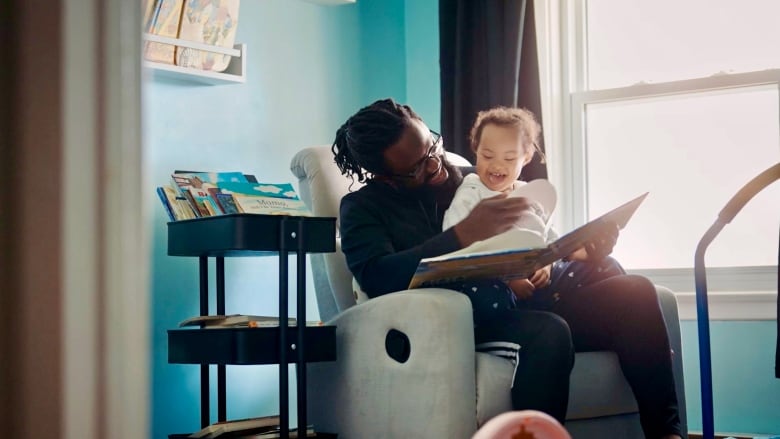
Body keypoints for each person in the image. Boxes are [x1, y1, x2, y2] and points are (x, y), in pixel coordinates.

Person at [331, 98, 682, 439]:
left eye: (433, 147)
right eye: (417, 168)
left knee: (634, 291)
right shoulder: (363, 207)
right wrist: (462, 234)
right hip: (468, 320)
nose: (436, 165)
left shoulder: (476, 177)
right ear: (383, 176)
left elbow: (534, 236)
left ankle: (667, 434)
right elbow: (376, 277)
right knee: (550, 331)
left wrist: (581, 253)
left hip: (532, 294)